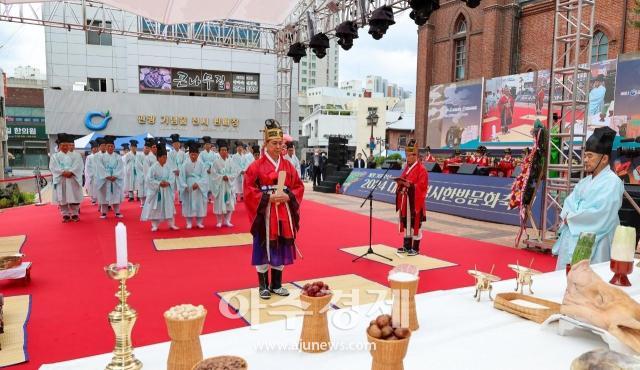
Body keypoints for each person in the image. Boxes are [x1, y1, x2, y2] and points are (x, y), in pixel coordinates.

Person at [244, 119, 304, 300]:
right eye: (274, 143)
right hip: (266, 212)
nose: (278, 147)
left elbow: (298, 186)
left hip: (283, 210)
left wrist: (288, 196)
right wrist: (267, 198)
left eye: (280, 143)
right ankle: (262, 284)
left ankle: (276, 284)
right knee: (263, 244)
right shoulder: (255, 166)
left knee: (281, 243)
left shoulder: (288, 166)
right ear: (266, 144)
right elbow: (248, 190)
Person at [552, 127, 624, 269]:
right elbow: (569, 202)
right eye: (585, 156)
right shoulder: (584, 182)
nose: (585, 160)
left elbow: (602, 214)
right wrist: (570, 216)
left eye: (590, 156)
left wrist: (572, 218)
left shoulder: (613, 182)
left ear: (604, 159)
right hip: (573, 233)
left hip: (597, 241)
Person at [395, 140, 428, 256]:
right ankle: (406, 246)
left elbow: (423, 186)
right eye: (406, 156)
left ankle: (416, 248)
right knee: (406, 222)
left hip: (415, 201)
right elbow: (402, 178)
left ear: (415, 156)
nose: (407, 158)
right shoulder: (407, 168)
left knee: (415, 223)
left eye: (409, 156)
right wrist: (400, 183)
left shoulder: (422, 169)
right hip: (406, 200)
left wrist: (412, 185)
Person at [141, 140, 179, 231]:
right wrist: (158, 183)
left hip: (166, 189)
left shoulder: (168, 166)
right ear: (158, 158)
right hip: (157, 190)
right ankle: (155, 225)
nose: (164, 159)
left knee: (169, 206)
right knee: (156, 207)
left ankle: (171, 224)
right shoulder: (153, 167)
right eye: (162, 157)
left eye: (165, 157)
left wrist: (168, 182)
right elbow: (149, 179)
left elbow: (172, 176)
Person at [50, 133, 84, 222]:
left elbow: (79, 166)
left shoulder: (76, 155)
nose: (65, 147)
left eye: (66, 145)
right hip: (61, 179)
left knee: (74, 197)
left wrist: (71, 172)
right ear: (59, 146)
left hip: (72, 179)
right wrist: (63, 172)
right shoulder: (55, 156)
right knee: (62, 198)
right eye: (62, 145)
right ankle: (65, 214)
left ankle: (75, 214)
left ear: (69, 146)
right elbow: (53, 167)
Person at [179, 141, 208, 229]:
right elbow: (182, 176)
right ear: (189, 154)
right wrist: (184, 185)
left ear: (198, 154)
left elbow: (204, 176)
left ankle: (199, 222)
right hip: (189, 186)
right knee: (188, 203)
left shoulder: (202, 164)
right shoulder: (185, 164)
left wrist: (199, 183)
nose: (193, 156)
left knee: (199, 203)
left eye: (195, 154)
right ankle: (189, 222)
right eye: (192, 154)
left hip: (198, 186)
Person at [211, 139, 239, 227]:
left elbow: (235, 172)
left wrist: (229, 177)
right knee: (219, 203)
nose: (224, 152)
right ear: (219, 152)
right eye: (222, 150)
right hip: (220, 185)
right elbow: (213, 174)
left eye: (225, 150)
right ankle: (219, 221)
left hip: (228, 185)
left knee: (229, 204)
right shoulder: (215, 162)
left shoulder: (231, 161)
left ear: (227, 151)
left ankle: (227, 220)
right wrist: (221, 177)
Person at [95, 135, 125, 218]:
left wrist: (115, 176)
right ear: (106, 147)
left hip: (115, 180)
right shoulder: (101, 157)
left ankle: (117, 212)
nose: (110, 148)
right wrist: (107, 176)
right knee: (104, 196)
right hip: (105, 180)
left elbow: (120, 168)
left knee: (116, 195)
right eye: (108, 146)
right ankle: (104, 212)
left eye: (112, 146)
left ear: (114, 147)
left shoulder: (118, 157)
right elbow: (100, 168)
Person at [197, 136, 217, 202]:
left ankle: (210, 198)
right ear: (204, 146)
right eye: (206, 144)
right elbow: (200, 162)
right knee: (205, 184)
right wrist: (206, 169)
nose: (208, 146)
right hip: (205, 171)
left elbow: (215, 162)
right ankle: (204, 197)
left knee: (211, 184)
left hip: (211, 171)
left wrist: (211, 168)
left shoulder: (214, 154)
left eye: (209, 144)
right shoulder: (202, 153)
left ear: (210, 145)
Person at [168, 133, 186, 200]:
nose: (176, 145)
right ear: (172, 145)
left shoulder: (183, 153)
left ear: (179, 144)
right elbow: (170, 163)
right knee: (172, 186)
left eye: (178, 143)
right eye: (175, 144)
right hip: (173, 172)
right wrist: (175, 170)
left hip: (181, 172)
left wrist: (180, 170)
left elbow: (185, 163)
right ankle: (171, 199)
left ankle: (181, 199)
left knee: (181, 185)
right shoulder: (170, 154)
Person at [141, 138, 157, 207]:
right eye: (153, 147)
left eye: (156, 147)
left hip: (157, 180)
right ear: (150, 148)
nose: (155, 148)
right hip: (151, 180)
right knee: (150, 199)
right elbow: (147, 171)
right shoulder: (148, 158)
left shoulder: (156, 156)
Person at [84, 140, 99, 204]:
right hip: (92, 175)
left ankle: (99, 198)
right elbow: (87, 167)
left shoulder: (100, 156)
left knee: (98, 187)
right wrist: (90, 174)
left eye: (96, 148)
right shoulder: (89, 157)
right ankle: (93, 199)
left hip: (99, 174)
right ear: (91, 149)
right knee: (92, 187)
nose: (95, 150)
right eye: (94, 148)